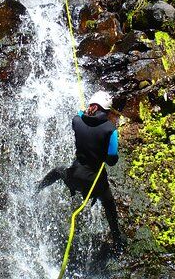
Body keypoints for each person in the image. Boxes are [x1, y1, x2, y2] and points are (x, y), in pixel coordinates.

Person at [37, 90, 124, 247]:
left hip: (74, 177)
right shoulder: (111, 130)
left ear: (92, 106)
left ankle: (36, 190)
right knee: (109, 204)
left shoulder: (77, 120)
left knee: (58, 171)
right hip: (95, 183)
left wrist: (86, 110)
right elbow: (112, 161)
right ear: (106, 110)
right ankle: (117, 239)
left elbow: (80, 113)